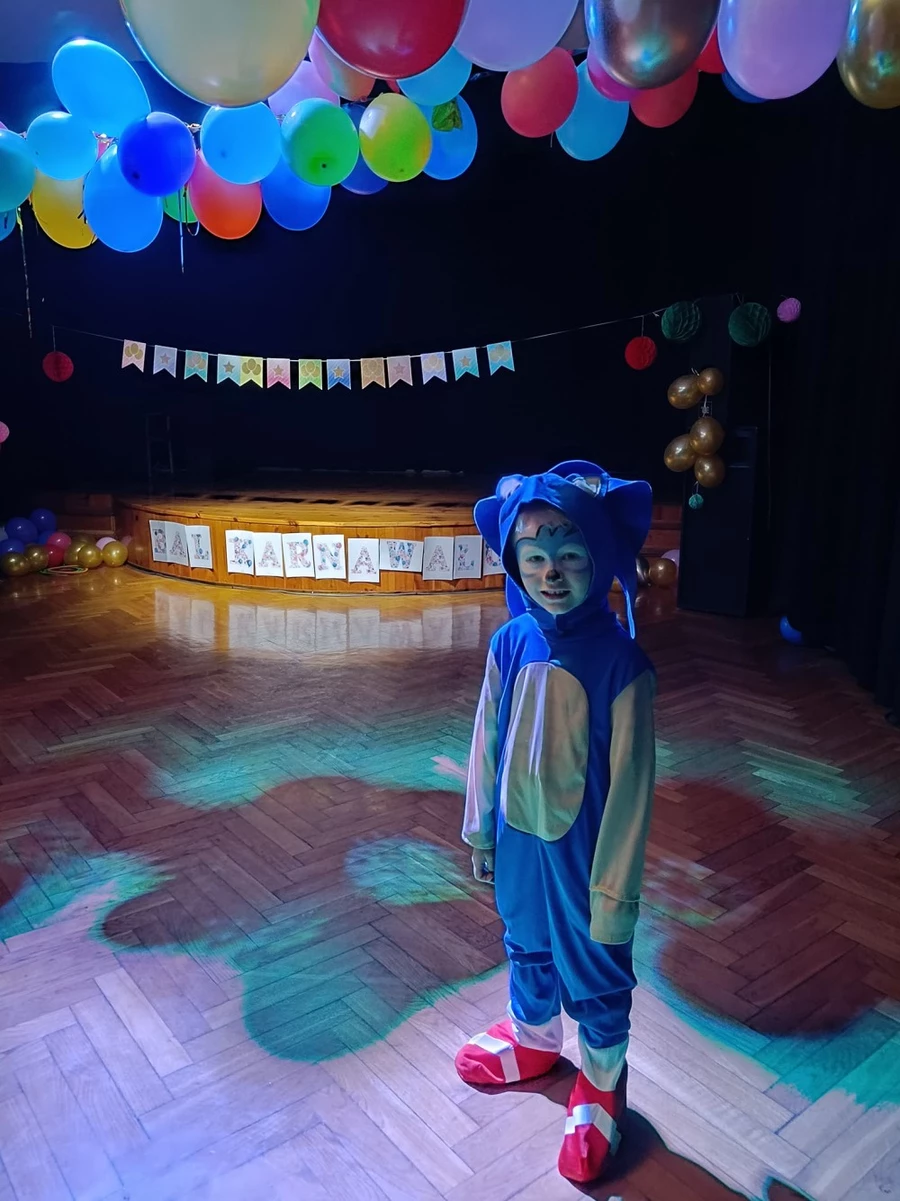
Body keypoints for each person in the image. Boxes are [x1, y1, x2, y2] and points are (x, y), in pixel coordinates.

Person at [455, 460, 656, 1184]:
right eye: (534, 557)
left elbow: (632, 789)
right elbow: (487, 737)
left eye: (570, 555)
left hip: (586, 849)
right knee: (526, 940)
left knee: (596, 962)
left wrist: (615, 889)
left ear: (598, 557)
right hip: (519, 838)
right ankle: (535, 1037)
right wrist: (481, 826)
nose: (550, 572)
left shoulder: (623, 665)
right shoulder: (510, 642)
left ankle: (601, 1080)